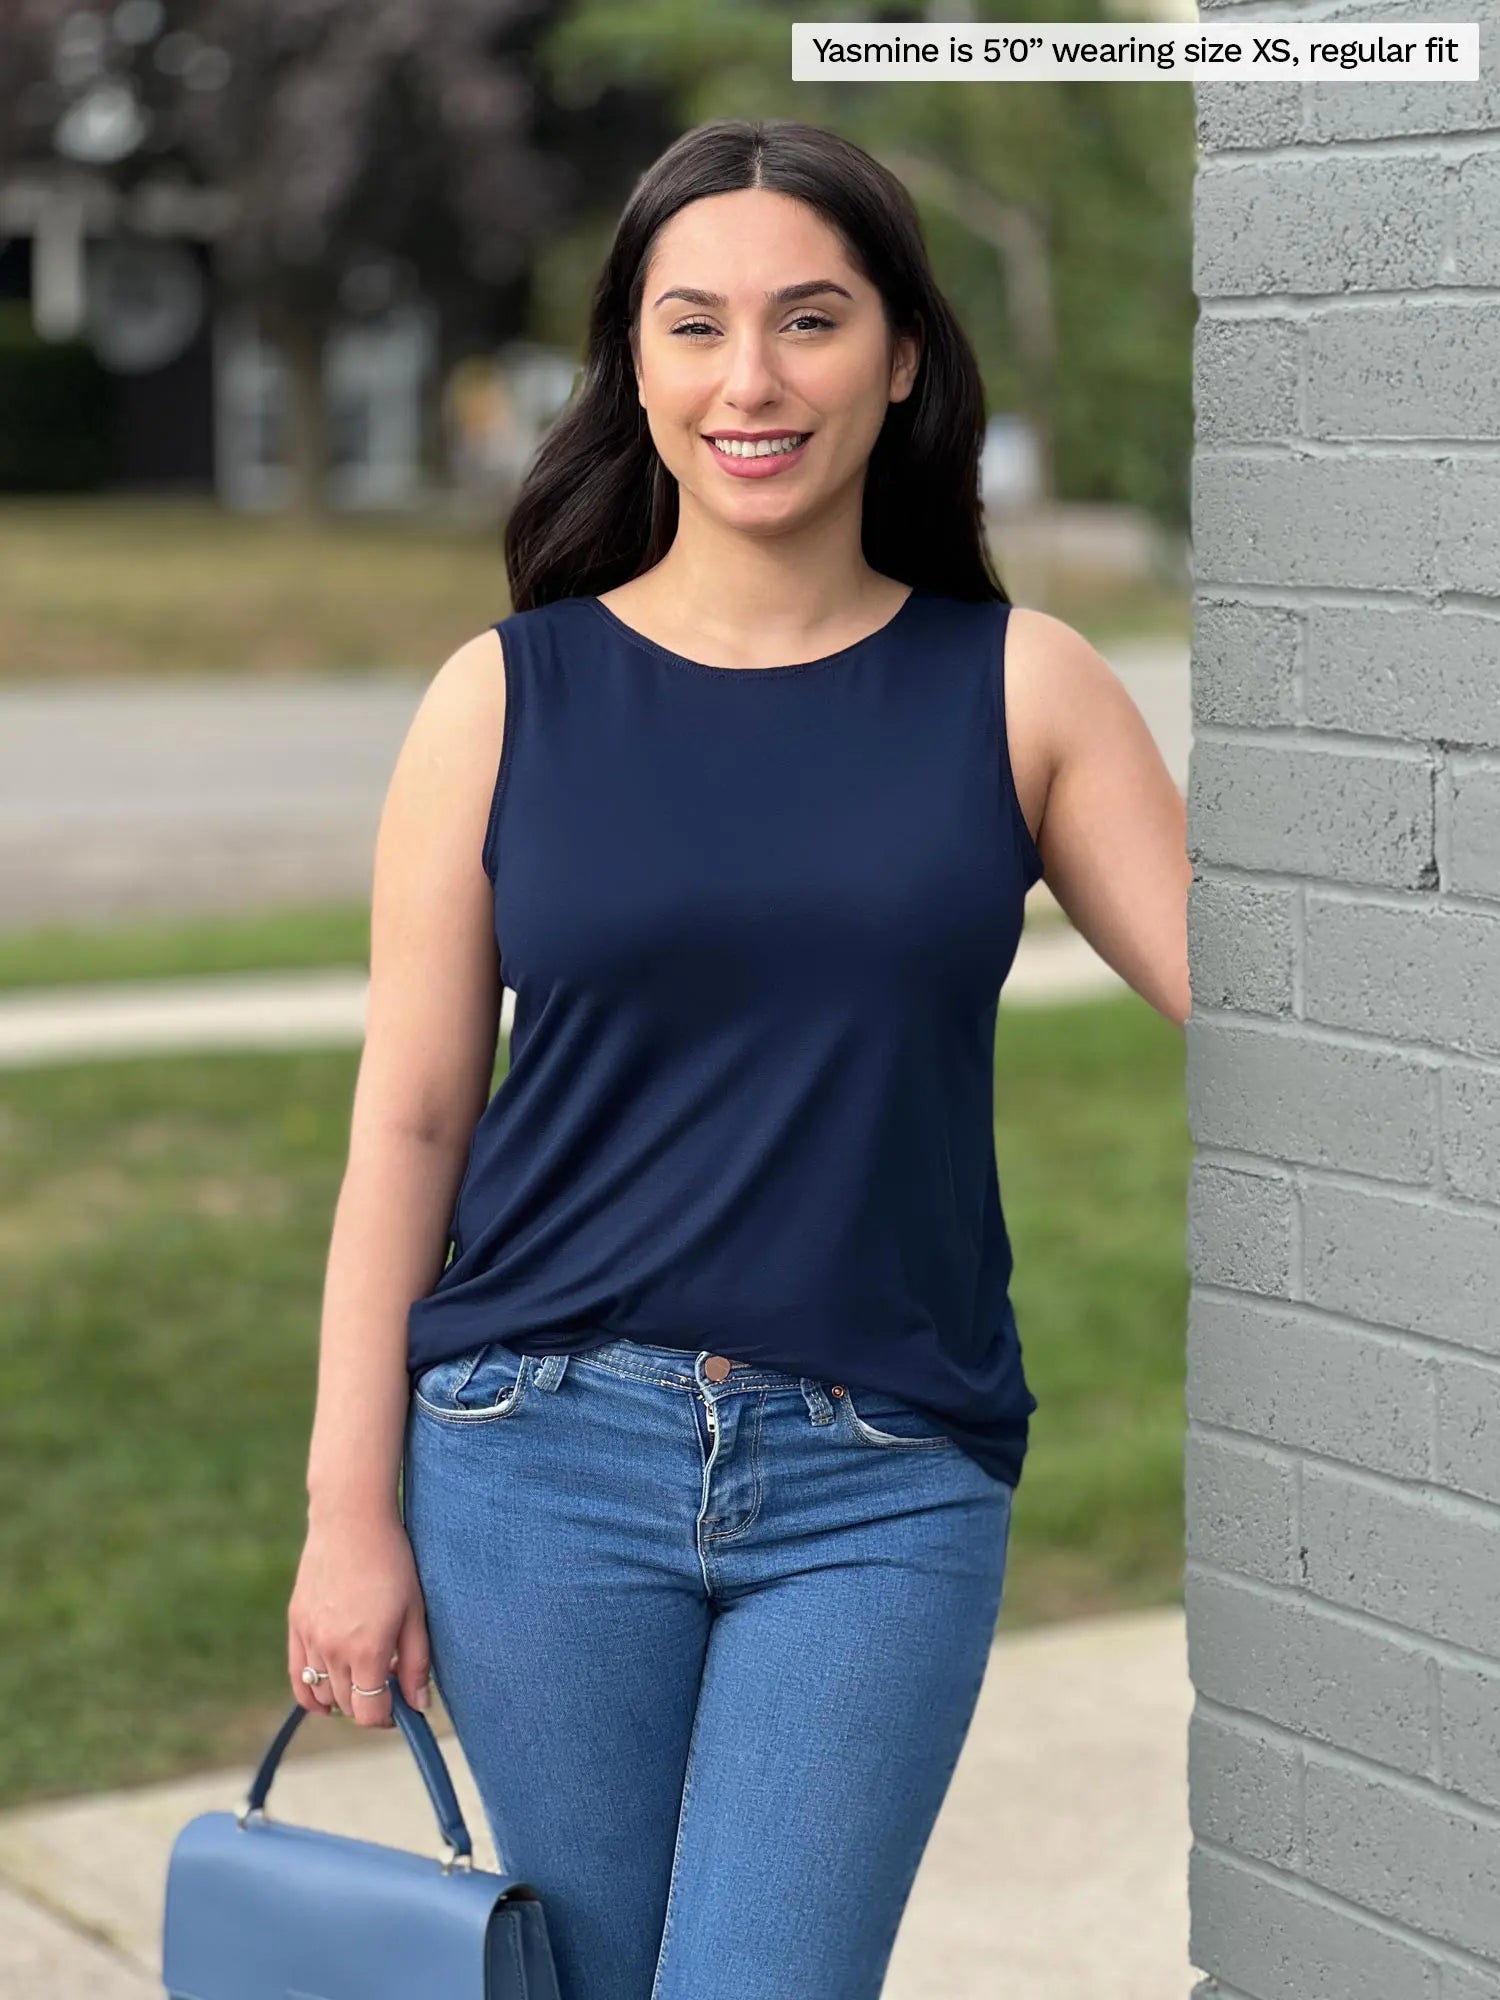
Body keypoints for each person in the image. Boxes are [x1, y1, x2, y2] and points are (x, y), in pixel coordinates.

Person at [287, 117, 1191, 2000]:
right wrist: (346, 1512)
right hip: (535, 1462)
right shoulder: (507, 696)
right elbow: (415, 1119)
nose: (751, 380)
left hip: (883, 1475)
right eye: (695, 326)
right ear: (634, 359)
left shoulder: (1020, 689)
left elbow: (1271, 1008)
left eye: (810, 320)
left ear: (905, 353)